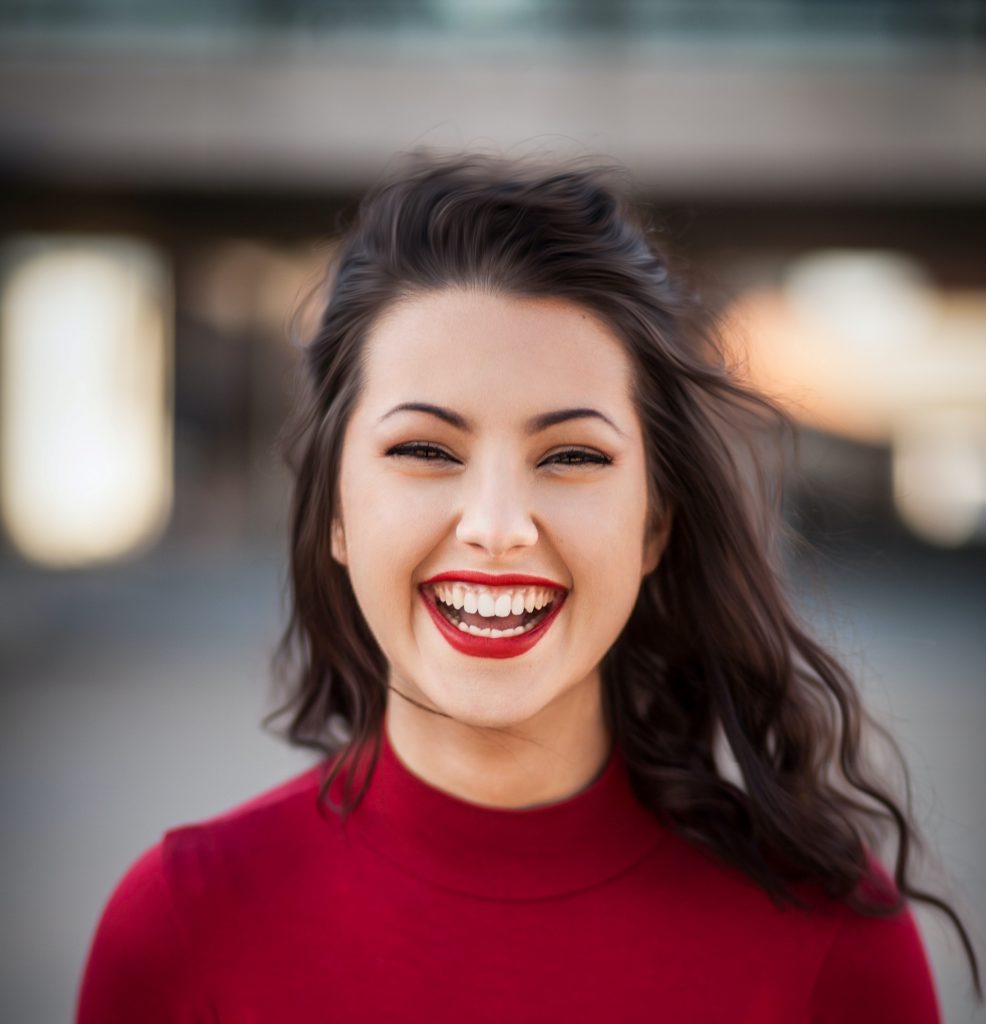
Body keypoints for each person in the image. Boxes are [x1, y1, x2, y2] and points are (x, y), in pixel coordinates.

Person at [76, 150, 979, 1022]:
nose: (499, 526)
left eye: (573, 456)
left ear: (655, 522)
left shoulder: (831, 939)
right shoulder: (182, 929)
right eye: (426, 450)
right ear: (336, 514)